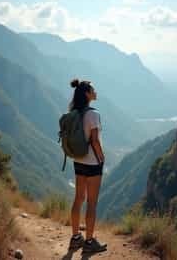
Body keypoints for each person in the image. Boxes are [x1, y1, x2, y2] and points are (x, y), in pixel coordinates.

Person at [68, 79, 107, 254]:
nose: (95, 91)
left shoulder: (75, 111)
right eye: (93, 89)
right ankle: (90, 242)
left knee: (78, 199)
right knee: (91, 203)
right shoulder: (93, 114)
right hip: (92, 163)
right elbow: (95, 140)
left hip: (78, 160)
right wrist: (101, 158)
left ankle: (76, 238)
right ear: (87, 93)